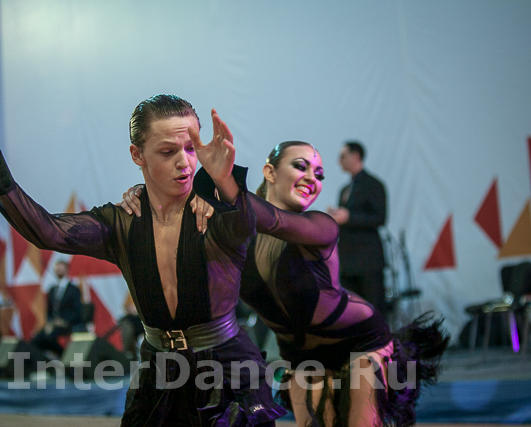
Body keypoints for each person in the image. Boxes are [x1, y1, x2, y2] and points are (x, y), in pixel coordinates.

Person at [0, 94, 285, 427]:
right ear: (137, 155)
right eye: (167, 152)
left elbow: (243, 222)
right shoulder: (122, 222)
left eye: (191, 149)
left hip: (228, 371)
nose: (184, 162)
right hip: (159, 373)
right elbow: (49, 232)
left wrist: (223, 181)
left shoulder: (215, 211)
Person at [122, 140, 449, 427]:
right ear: (270, 172)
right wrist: (145, 196)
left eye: (319, 175)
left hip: (361, 344)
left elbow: (270, 219)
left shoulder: (321, 226)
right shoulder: (233, 240)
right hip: (300, 358)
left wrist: (222, 177)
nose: (312, 178)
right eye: (301, 166)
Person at [328, 141, 388, 317]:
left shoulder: (373, 184)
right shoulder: (345, 189)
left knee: (374, 310)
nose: (339, 161)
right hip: (348, 261)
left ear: (356, 156)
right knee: (352, 312)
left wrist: (349, 217)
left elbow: (380, 218)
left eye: (343, 156)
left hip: (368, 260)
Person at [31, 260, 82, 357]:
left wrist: (63, 321)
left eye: (61, 268)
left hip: (67, 324)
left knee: (49, 337)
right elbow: (49, 311)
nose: (59, 271)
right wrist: (50, 323)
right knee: (36, 339)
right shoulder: (52, 290)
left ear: (67, 270)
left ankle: (64, 356)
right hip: (53, 325)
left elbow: (76, 311)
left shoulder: (74, 290)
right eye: (57, 269)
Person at [119, 292, 144, 360]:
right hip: (137, 319)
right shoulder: (135, 290)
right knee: (126, 324)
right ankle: (129, 355)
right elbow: (127, 307)